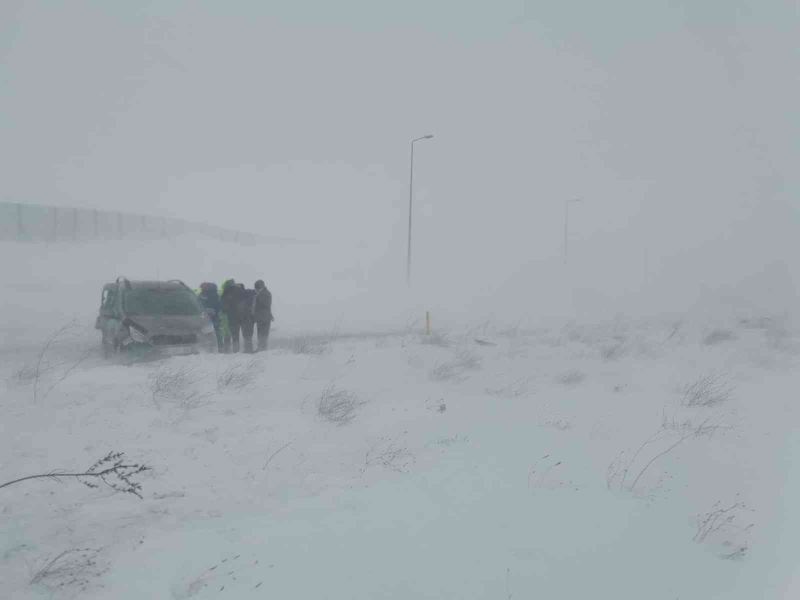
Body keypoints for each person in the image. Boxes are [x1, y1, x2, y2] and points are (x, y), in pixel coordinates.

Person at [196, 282, 222, 351]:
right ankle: (217, 347)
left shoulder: (205, 295)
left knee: (211, 331)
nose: (202, 288)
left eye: (203, 287)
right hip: (210, 316)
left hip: (209, 316)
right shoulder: (214, 294)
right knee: (214, 331)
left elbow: (199, 304)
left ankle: (215, 347)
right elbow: (219, 305)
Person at [220, 279, 243, 353]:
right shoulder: (240, 291)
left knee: (228, 332)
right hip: (239, 315)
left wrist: (225, 310)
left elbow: (223, 305)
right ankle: (236, 350)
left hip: (229, 315)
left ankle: (227, 350)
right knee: (236, 333)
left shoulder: (226, 292)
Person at [253, 280, 274, 351]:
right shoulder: (266, 293)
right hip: (264, 316)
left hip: (263, 317)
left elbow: (265, 305)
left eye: (256, 288)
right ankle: (261, 348)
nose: (255, 290)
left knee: (262, 333)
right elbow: (267, 307)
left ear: (259, 287)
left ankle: (262, 349)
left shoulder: (263, 294)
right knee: (262, 333)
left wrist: (257, 297)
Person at [237, 284, 257, 353]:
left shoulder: (243, 296)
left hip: (246, 317)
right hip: (250, 317)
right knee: (248, 334)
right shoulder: (249, 294)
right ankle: (248, 349)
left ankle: (248, 350)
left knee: (246, 334)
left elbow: (243, 307)